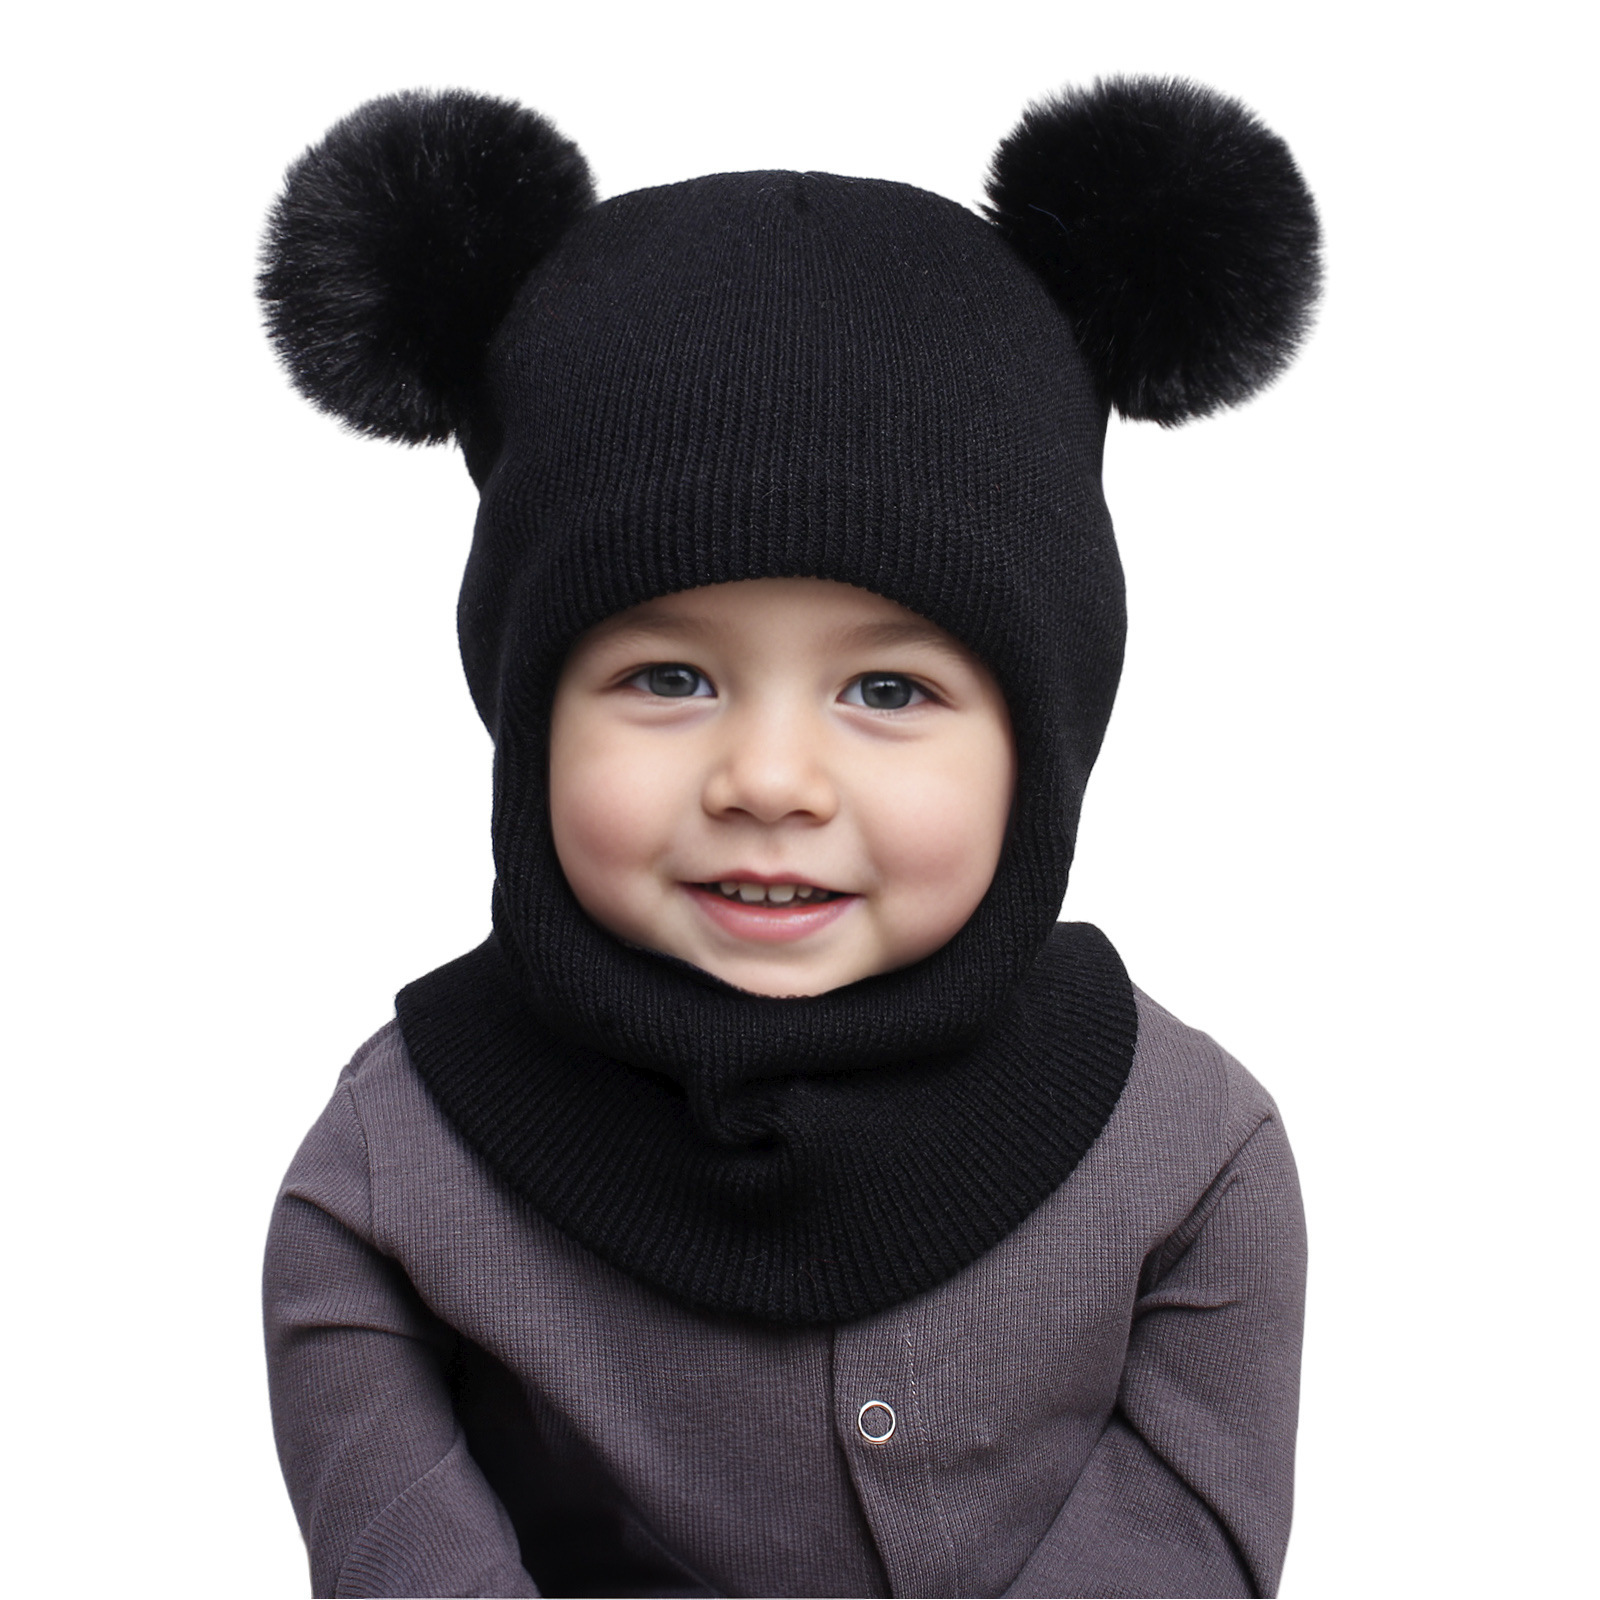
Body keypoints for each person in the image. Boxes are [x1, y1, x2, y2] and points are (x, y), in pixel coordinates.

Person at [260, 77, 1320, 1599]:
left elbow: (1186, 1540)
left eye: (888, 690)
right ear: (526, 711)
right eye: (667, 679)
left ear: (1045, 740)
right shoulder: (393, 1167)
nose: (769, 780)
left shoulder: (1190, 1156)